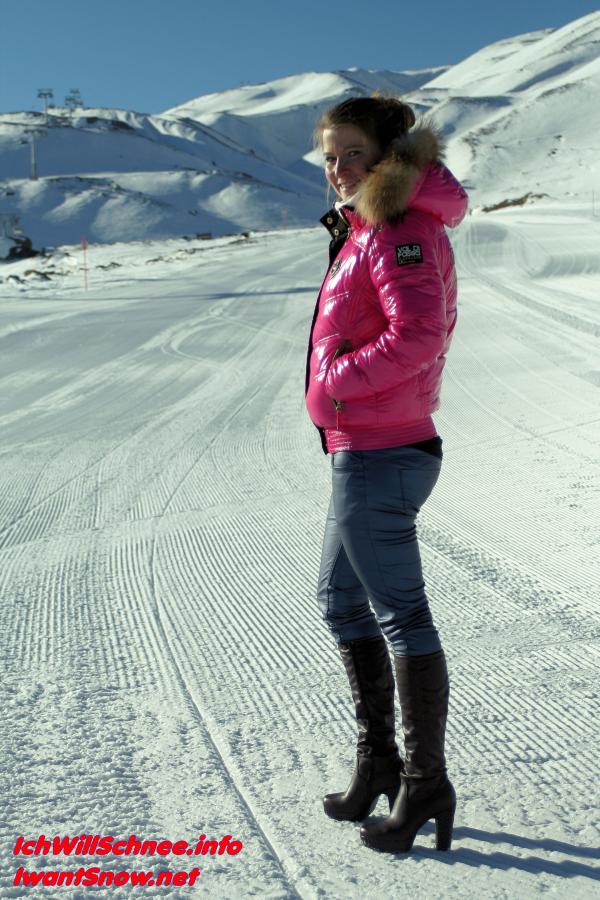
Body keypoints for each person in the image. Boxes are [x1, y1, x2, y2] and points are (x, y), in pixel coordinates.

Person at [304, 96, 469, 853]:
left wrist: (337, 382)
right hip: (362, 447)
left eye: (351, 154)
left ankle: (424, 781)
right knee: (341, 601)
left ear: (389, 157)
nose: (338, 170)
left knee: (400, 614)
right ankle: (380, 763)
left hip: (384, 449)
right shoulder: (368, 227)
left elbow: (420, 335)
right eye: (329, 156)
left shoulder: (400, 227)